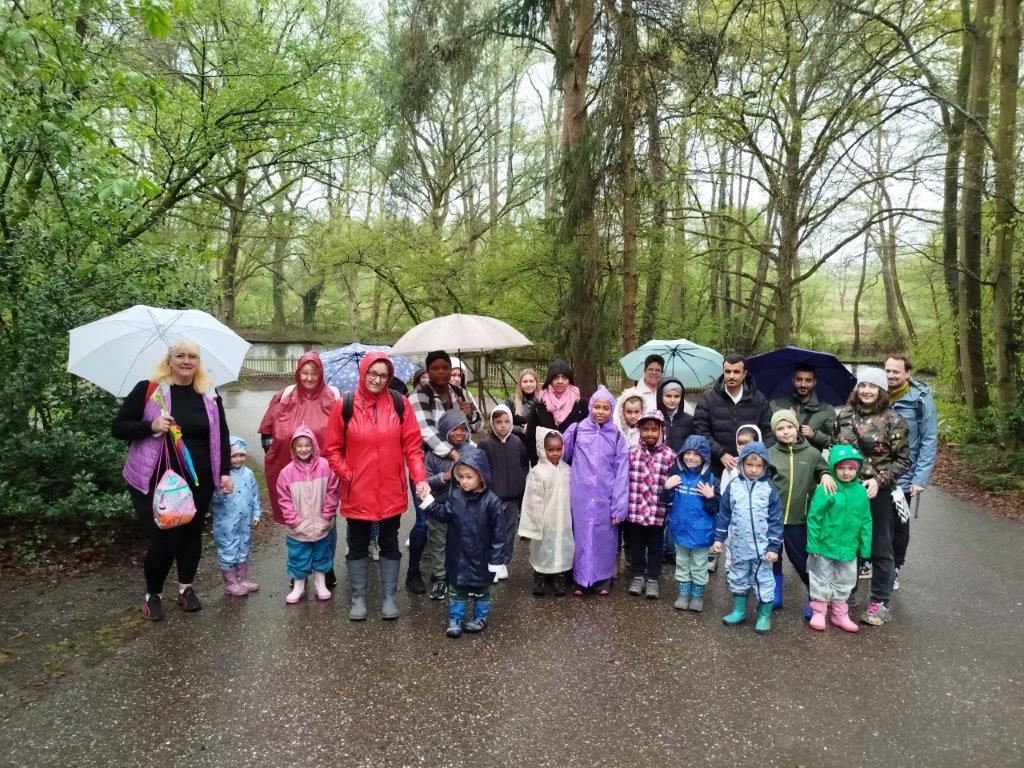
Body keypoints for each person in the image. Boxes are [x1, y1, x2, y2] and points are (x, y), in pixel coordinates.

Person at [113, 340, 232, 621]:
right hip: (156, 480)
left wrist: (224, 471)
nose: (186, 361)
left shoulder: (209, 394)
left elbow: (222, 435)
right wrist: (151, 426)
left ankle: (185, 588)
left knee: (191, 535)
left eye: (192, 356)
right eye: (180, 355)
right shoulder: (149, 390)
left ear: (198, 362)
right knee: (165, 538)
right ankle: (152, 594)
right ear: (170, 360)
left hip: (199, 478)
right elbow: (118, 428)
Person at [322, 352, 429, 621]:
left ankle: (389, 597)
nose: (377, 380)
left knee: (389, 541)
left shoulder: (400, 404)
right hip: (358, 490)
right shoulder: (344, 405)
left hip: (390, 489)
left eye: (383, 375)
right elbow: (332, 449)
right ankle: (358, 598)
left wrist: (420, 478)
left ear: (389, 378)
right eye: (373, 373)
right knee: (357, 542)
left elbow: (413, 447)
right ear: (364, 373)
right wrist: (348, 475)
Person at [833, 367, 910, 627]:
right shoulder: (844, 415)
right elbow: (835, 446)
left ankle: (879, 602)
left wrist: (879, 480)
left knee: (880, 547)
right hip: (849, 489)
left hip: (879, 492)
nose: (866, 391)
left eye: (873, 386)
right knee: (850, 543)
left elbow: (903, 460)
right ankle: (847, 593)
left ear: (882, 391)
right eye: (862, 385)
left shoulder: (893, 420)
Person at [258, 351, 340, 588]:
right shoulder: (284, 397)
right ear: (297, 372)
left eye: (314, 373)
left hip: (324, 475)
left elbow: (342, 432)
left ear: (321, 373)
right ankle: (298, 571)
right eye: (305, 372)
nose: (309, 377)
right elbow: (267, 432)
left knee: (327, 520)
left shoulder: (333, 396)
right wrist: (278, 459)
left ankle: (326, 567)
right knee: (295, 521)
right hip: (292, 474)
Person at [408, 350, 483, 594]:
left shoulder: (460, 392)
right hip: (427, 463)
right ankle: (413, 571)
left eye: (445, 367)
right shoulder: (418, 396)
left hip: (460, 465)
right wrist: (454, 455)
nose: (441, 372)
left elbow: (476, 426)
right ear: (428, 371)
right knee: (425, 520)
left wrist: (470, 413)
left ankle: (445, 570)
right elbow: (426, 431)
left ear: (452, 369)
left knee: (456, 518)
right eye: (435, 368)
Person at [425, 448, 505, 638]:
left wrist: (496, 560)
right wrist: (428, 502)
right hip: (458, 556)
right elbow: (443, 514)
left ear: (481, 476)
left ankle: (480, 617)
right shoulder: (455, 496)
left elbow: (499, 534)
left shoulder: (492, 502)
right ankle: (455, 619)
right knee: (457, 589)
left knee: (482, 590)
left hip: (481, 557)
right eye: (460, 476)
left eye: (469, 477)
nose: (463, 481)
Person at [563, 386, 630, 596]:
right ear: (590, 406)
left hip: (605, 495)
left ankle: (603, 578)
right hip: (581, 495)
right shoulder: (578, 430)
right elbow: (563, 455)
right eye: (597, 407)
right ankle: (580, 579)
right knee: (580, 535)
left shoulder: (617, 436)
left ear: (612, 410)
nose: (600, 412)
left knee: (605, 537)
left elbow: (622, 471)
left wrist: (619, 505)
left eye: (606, 408)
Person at [766, 409, 834, 613]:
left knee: (801, 560)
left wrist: (825, 474)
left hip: (798, 518)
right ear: (774, 432)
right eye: (780, 428)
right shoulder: (770, 454)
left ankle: (815, 598)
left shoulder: (811, 453)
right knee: (772, 557)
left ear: (797, 428)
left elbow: (822, 468)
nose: (785, 431)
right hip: (773, 518)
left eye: (789, 427)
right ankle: (775, 593)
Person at [712, 441, 782, 635]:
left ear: (765, 466)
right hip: (738, 545)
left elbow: (776, 519)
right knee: (738, 576)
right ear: (742, 463)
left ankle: (764, 615)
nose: (753, 470)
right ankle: (739, 610)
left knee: (763, 580)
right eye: (749, 464)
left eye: (758, 465)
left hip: (763, 549)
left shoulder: (769, 488)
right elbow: (724, 514)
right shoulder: (734, 486)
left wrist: (773, 547)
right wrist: (719, 538)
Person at [805, 444, 872, 633]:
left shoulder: (861, 492)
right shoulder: (827, 488)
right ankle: (819, 612)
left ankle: (839, 614)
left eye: (851, 468)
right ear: (834, 468)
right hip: (825, 544)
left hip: (849, 547)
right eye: (841, 468)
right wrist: (813, 543)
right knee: (821, 577)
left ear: (857, 469)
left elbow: (866, 520)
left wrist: (865, 547)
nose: (846, 472)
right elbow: (814, 517)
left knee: (845, 580)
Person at [884, 354, 938, 589]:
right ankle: (872, 562)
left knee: (899, 522)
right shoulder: (876, 393)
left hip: (904, 474)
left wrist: (920, 478)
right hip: (875, 472)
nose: (891, 375)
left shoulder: (920, 400)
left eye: (896, 371)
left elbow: (929, 440)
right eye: (887, 370)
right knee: (873, 519)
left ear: (907, 373)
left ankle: (894, 568)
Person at [278, 426, 340, 604]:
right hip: (298, 527)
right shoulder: (287, 472)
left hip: (322, 524)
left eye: (307, 445)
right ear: (293, 448)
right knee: (298, 555)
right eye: (299, 446)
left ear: (314, 446)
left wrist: (326, 515)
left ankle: (320, 583)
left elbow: (333, 491)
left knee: (322, 554)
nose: (303, 449)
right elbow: (284, 499)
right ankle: (299, 585)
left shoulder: (325, 466)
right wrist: (294, 521)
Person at [624, 411, 677, 599]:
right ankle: (638, 576)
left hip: (657, 511)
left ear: (662, 431)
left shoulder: (670, 456)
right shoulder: (631, 453)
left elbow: (674, 484)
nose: (649, 434)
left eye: (654, 429)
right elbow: (624, 480)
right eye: (645, 429)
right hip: (635, 510)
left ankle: (653, 578)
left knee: (656, 547)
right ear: (639, 430)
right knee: (636, 546)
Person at [693, 353, 774, 477]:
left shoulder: (758, 399)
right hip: (716, 468)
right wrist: (721, 453)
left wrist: (755, 454)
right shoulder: (708, 398)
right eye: (728, 371)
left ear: (744, 373)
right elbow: (701, 432)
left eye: (736, 372)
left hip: (751, 469)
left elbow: (769, 433)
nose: (731, 376)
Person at [663, 434, 719, 612]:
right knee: (681, 562)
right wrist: (667, 487)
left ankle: (697, 596)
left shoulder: (709, 479)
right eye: (687, 453)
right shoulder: (676, 474)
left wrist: (711, 497)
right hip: (680, 529)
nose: (691, 457)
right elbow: (665, 500)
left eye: (696, 454)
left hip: (701, 532)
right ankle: (683, 594)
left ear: (704, 457)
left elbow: (716, 508)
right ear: (681, 454)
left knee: (699, 564)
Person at [423, 409, 474, 599]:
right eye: (454, 429)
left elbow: (482, 478)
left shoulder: (471, 451)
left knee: (463, 543)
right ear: (444, 429)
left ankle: (460, 576)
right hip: (439, 506)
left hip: (465, 508)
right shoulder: (433, 454)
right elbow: (425, 481)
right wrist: (445, 477)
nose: (459, 433)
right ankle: (440, 578)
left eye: (463, 428)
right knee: (438, 543)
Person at [518, 429, 574, 596]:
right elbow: (533, 500)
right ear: (543, 449)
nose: (555, 453)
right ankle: (540, 579)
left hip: (563, 520)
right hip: (545, 521)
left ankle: (559, 580)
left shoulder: (567, 470)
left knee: (561, 548)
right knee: (542, 550)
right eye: (550, 450)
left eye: (558, 449)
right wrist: (534, 523)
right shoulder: (538, 472)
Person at [478, 405, 529, 574]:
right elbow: (480, 469)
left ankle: (504, 563)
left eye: (507, 421)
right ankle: (492, 561)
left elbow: (524, 464)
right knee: (492, 530)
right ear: (492, 423)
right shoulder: (485, 444)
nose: (503, 425)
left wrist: (520, 482)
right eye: (499, 422)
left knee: (509, 531)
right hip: (493, 497)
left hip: (513, 497)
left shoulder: (517, 442)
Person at [211, 436, 261, 596]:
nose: (238, 459)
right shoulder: (221, 477)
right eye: (233, 456)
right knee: (228, 549)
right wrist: (221, 493)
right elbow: (213, 500)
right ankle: (231, 583)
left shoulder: (248, 473)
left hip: (244, 521)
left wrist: (256, 513)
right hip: (226, 523)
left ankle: (242, 579)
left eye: (241, 455)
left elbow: (255, 495)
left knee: (243, 546)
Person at [524, 360, 589, 465]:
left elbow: (588, 436)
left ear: (569, 380)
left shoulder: (581, 404)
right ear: (550, 380)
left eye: (564, 378)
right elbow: (531, 437)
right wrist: (538, 464)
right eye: (555, 378)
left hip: (574, 465)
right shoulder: (539, 404)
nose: (560, 381)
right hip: (546, 465)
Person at [769, 364, 836, 451]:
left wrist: (815, 435)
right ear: (793, 380)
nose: (803, 384)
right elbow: (767, 436)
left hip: (811, 458)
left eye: (808, 380)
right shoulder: (776, 404)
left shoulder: (826, 410)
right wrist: (786, 418)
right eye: (799, 379)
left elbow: (834, 443)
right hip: (780, 457)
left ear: (814, 382)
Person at [613, 354, 664, 430]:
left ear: (662, 372)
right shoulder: (631, 394)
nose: (654, 372)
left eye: (658, 370)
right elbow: (616, 421)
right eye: (650, 369)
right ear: (644, 370)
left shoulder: (667, 395)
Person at [505, 368, 539, 440]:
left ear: (536, 383)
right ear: (520, 383)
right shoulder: (511, 401)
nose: (528, 385)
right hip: (516, 441)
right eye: (525, 382)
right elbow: (504, 424)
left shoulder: (543, 401)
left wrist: (533, 427)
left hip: (536, 442)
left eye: (531, 381)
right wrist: (522, 429)